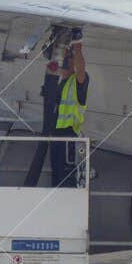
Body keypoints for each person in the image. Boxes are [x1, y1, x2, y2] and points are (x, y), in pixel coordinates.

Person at [49, 38, 89, 188]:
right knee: (56, 176)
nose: (67, 60)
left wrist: (77, 50)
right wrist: (57, 52)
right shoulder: (64, 80)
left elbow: (81, 70)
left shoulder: (79, 81)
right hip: (57, 135)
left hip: (69, 135)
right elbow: (51, 67)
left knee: (65, 176)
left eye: (69, 58)